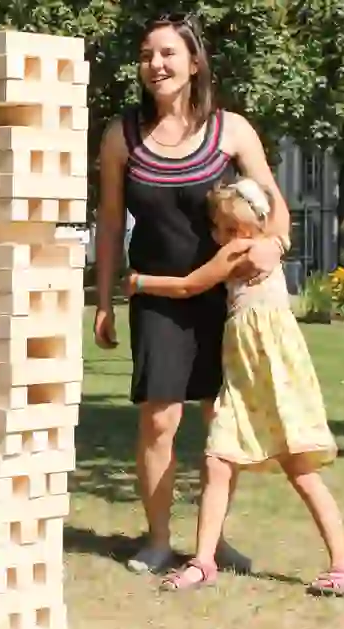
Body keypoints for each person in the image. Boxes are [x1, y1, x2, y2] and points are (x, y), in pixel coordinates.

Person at [93, 13, 290, 575]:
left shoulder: (232, 131)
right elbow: (110, 222)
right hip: (156, 295)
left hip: (225, 300)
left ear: (194, 62)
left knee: (221, 422)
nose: (155, 65)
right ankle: (158, 541)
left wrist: (274, 246)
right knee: (159, 421)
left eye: (167, 54)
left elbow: (274, 206)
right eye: (146, 55)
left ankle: (212, 540)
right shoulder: (122, 136)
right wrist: (104, 301)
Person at [122, 178, 344, 595]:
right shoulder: (264, 245)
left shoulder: (244, 251)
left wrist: (140, 283)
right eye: (221, 228)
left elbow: (189, 285)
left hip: (272, 378)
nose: (228, 237)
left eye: (236, 227)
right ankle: (204, 561)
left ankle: (343, 564)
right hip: (243, 376)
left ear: (258, 223)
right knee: (219, 461)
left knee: (300, 469)